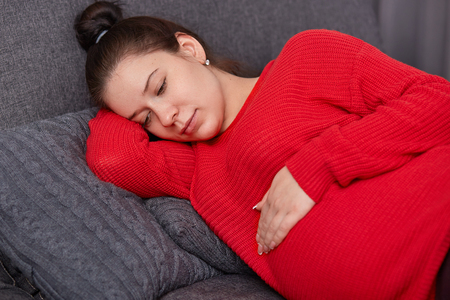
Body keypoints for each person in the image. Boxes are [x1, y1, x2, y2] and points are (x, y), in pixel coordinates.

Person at [75, 1, 450, 299]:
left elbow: (439, 102)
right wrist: (114, 86)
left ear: (188, 49)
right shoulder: (196, 169)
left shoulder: (304, 58)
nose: (166, 116)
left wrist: (314, 167)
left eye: (160, 88)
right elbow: (113, 159)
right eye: (145, 119)